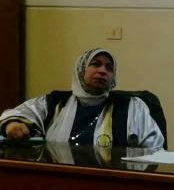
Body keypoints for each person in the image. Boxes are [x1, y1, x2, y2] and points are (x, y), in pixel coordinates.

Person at [0, 48, 164, 148]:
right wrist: (14, 124)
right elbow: (18, 113)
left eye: (109, 68)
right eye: (95, 64)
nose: (103, 71)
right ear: (80, 70)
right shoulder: (55, 103)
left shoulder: (132, 107)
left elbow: (154, 149)